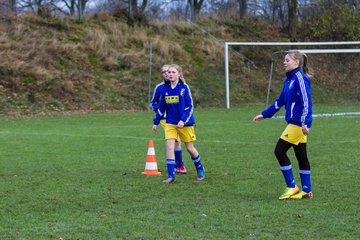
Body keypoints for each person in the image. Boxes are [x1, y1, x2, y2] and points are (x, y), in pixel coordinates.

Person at [253, 50, 313, 200]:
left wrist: (306, 122)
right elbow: (280, 101)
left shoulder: (300, 78)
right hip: (296, 123)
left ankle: (292, 187)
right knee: (301, 156)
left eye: (287, 60)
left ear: (296, 62)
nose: (284, 62)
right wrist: (265, 114)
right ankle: (306, 191)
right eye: (284, 60)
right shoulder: (289, 79)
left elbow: (307, 101)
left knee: (279, 151)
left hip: (298, 123)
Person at [152, 64, 205, 183]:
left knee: (190, 148)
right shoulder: (164, 89)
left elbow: (189, 106)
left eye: (173, 72)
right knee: (170, 147)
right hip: (170, 123)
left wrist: (183, 120)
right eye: (169, 72)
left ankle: (200, 169)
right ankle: (171, 175)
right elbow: (161, 107)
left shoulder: (184, 88)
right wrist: (156, 122)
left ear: (179, 74)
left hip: (185, 124)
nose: (170, 74)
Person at [151, 64, 187, 174]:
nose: (166, 73)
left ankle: (179, 165)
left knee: (178, 142)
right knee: (175, 141)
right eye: (164, 72)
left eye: (169, 71)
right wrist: (159, 112)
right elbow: (154, 102)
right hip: (165, 119)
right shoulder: (159, 87)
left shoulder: (181, 86)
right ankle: (178, 166)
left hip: (178, 118)